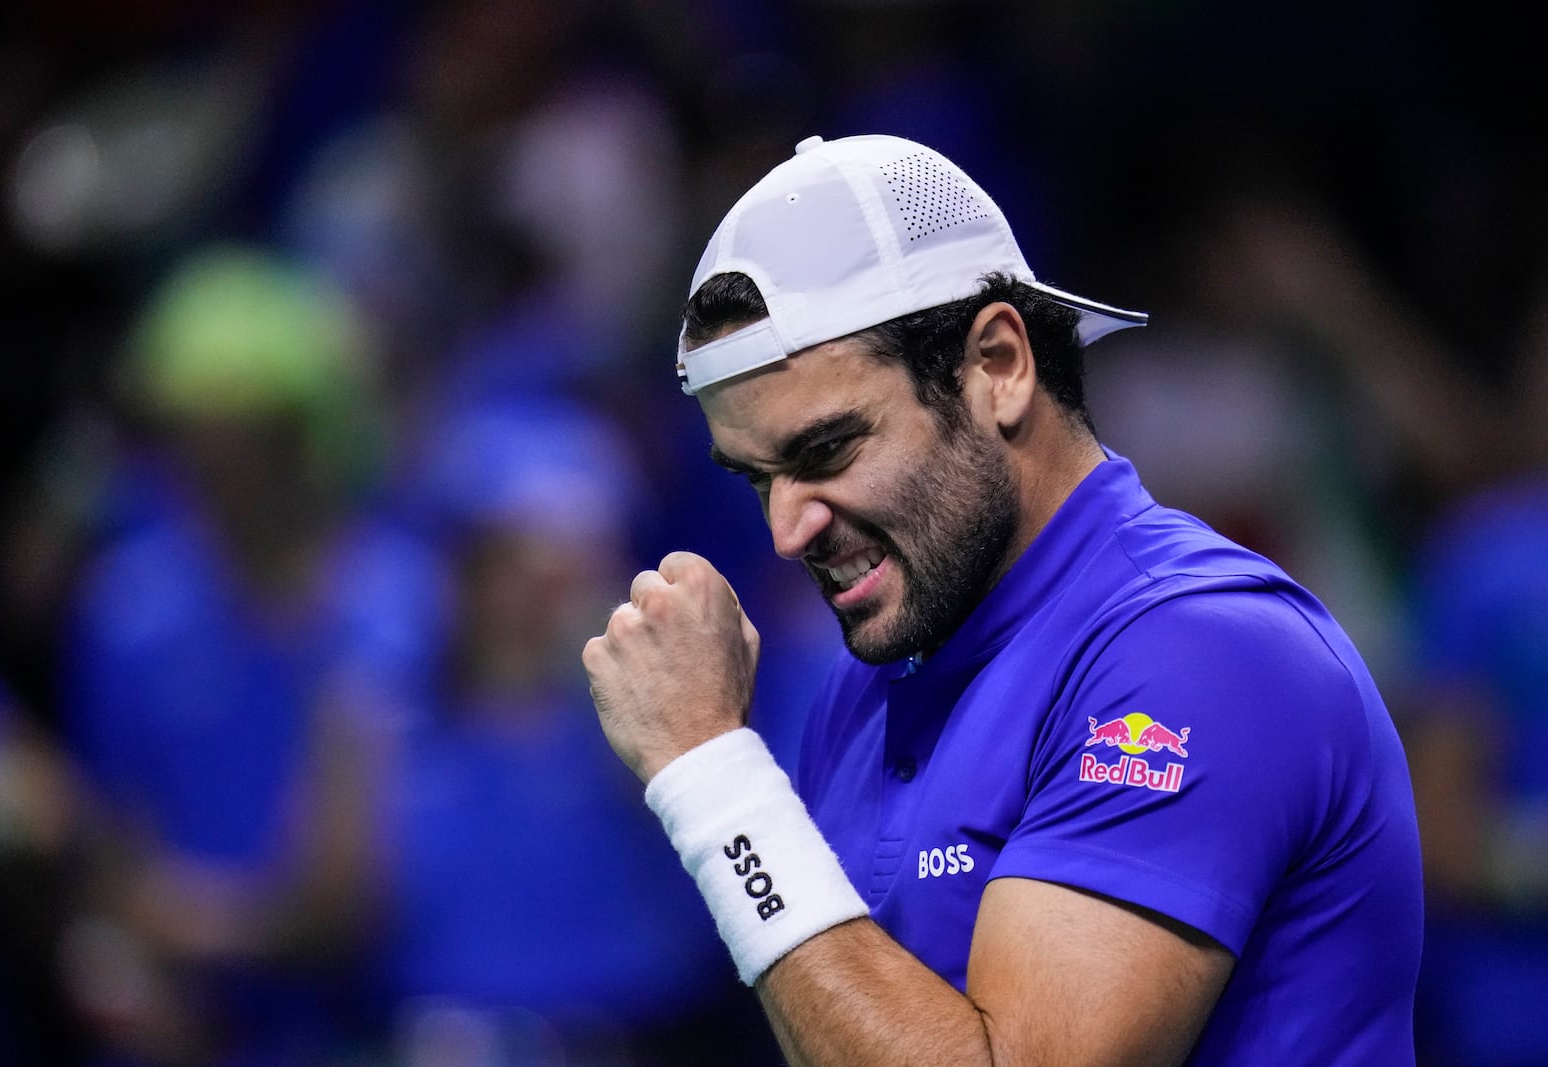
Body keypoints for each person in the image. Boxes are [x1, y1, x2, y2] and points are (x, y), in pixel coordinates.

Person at [582, 133, 1423, 1065]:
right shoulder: (862, 686)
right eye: (756, 478)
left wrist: (712, 775)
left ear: (998, 364)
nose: (787, 530)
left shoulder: (1203, 653)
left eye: (827, 452)